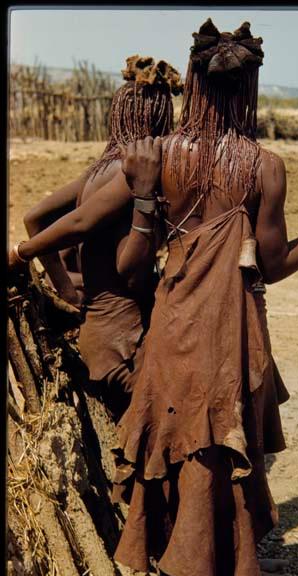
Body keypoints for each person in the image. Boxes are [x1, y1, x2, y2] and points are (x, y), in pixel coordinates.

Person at [106, 19, 298, 576]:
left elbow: (131, 268)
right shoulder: (265, 168)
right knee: (223, 454)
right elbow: (277, 264)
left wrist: (148, 199)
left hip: (171, 335)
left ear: (196, 85)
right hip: (233, 343)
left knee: (179, 451)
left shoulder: (158, 156)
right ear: (250, 88)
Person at [17, 55, 183, 420]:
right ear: (160, 121)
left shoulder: (97, 171)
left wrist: (67, 290)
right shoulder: (131, 176)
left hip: (96, 328)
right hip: (123, 340)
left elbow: (34, 217)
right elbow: (127, 270)